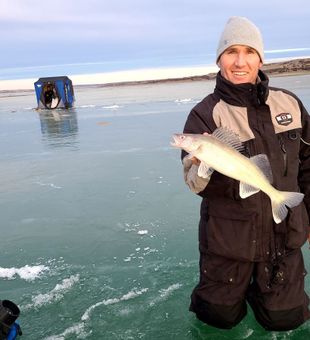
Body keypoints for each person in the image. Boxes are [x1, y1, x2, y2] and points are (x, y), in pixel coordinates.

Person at [181, 16, 310, 331]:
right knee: (217, 321)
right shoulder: (205, 114)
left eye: (249, 52)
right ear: (219, 59)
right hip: (228, 242)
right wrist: (203, 163)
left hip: (284, 238)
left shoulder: (289, 104)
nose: (240, 61)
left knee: (287, 320)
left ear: (260, 58)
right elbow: (194, 182)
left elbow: (308, 163)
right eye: (231, 52)